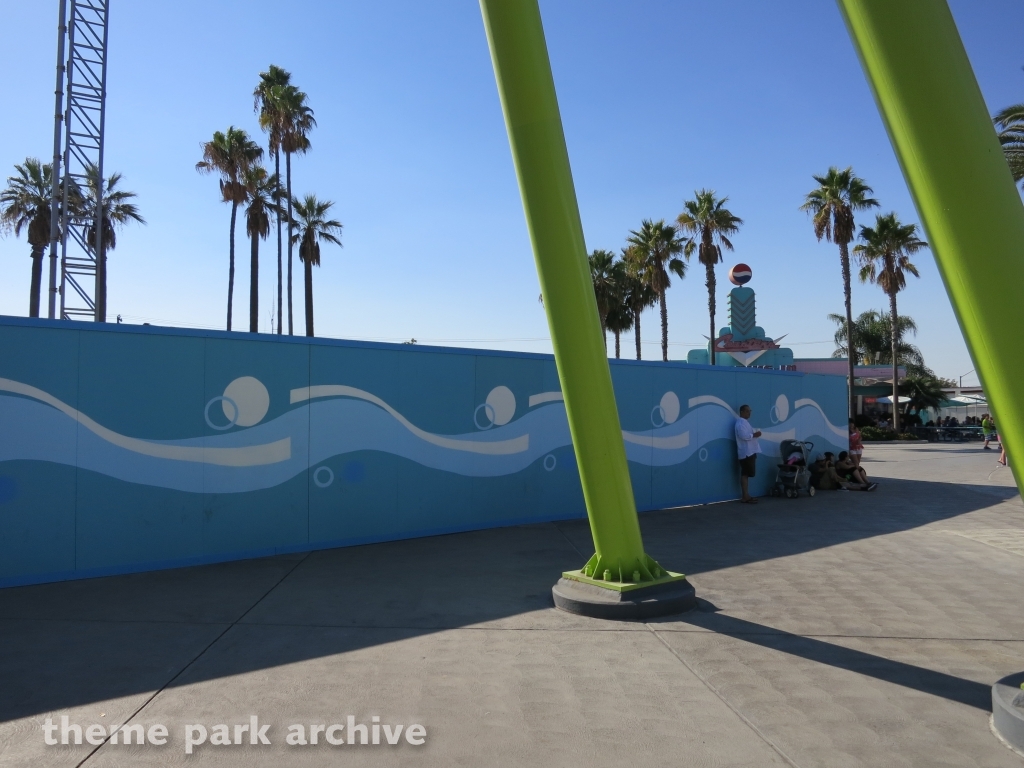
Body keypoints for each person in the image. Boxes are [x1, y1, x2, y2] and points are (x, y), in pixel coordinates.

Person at [734, 404, 762, 504]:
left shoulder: (745, 422)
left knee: (746, 473)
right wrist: (754, 435)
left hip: (750, 452)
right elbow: (743, 436)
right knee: (745, 473)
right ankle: (745, 496)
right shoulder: (740, 423)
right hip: (746, 453)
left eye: (750, 411)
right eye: (747, 411)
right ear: (741, 412)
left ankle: (746, 495)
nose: (749, 413)